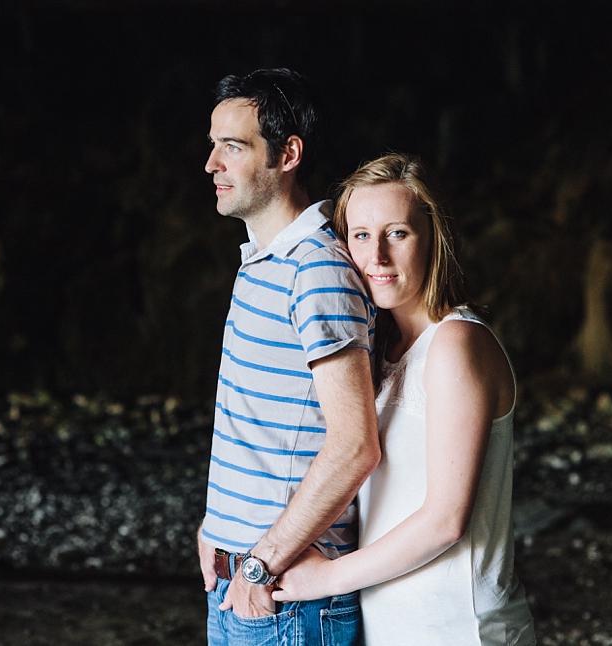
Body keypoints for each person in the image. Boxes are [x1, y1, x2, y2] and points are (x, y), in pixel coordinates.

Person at [272, 153, 537, 645]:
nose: (377, 258)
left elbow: (446, 520)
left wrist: (327, 578)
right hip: (395, 625)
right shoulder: (382, 351)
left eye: (397, 233)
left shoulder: (456, 343)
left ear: (433, 238)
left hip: (460, 627)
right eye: (361, 235)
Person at [197, 68, 380, 646]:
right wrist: (214, 530)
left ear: (287, 154)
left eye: (232, 147)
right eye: (212, 145)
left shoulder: (316, 269)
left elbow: (355, 443)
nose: (211, 165)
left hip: (283, 601)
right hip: (240, 587)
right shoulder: (262, 264)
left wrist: (260, 565)